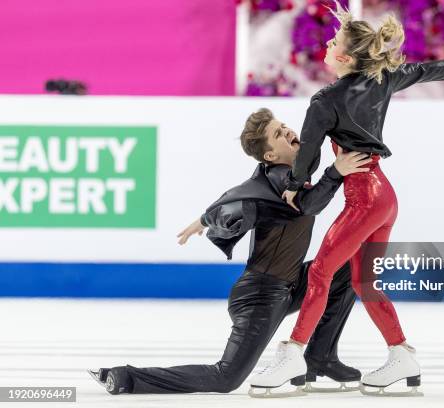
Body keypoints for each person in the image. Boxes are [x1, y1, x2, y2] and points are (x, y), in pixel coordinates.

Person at [250, 3, 444, 397]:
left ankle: (293, 356)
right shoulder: (383, 78)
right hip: (384, 196)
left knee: (321, 273)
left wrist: (297, 184)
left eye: (333, 40)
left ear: (343, 56)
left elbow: (307, 155)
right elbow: (426, 71)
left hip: (363, 200)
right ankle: (402, 356)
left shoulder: (324, 100)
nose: (326, 42)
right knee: (364, 282)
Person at [88, 108, 373, 396]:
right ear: (270, 157)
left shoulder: (289, 173)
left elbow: (246, 190)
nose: (288, 131)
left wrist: (203, 219)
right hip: (260, 296)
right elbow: (307, 204)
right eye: (278, 133)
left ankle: (320, 356)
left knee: (350, 267)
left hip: (292, 283)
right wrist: (336, 172)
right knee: (226, 377)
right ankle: (125, 377)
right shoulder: (279, 179)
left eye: (284, 126)